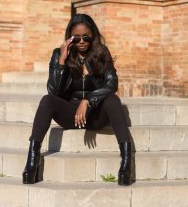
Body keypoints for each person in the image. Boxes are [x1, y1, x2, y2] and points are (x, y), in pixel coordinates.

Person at [22, 13, 133, 186]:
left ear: (92, 35)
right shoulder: (59, 54)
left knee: (113, 100)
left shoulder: (101, 52)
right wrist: (61, 61)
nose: (81, 41)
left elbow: (112, 84)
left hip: (94, 114)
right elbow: (53, 90)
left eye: (86, 37)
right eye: (77, 37)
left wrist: (88, 100)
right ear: (70, 37)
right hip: (70, 115)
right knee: (47, 100)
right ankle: (32, 160)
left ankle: (126, 161)